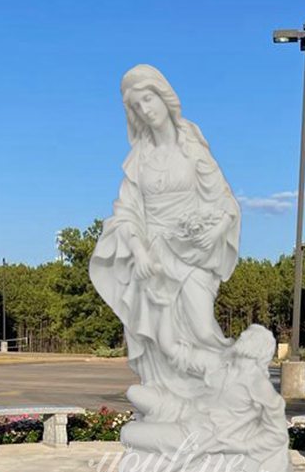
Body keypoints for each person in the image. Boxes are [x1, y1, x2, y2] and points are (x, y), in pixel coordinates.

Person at [89, 65, 240, 422]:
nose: (145, 109)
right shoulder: (138, 158)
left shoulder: (192, 146)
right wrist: (139, 251)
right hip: (154, 258)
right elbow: (125, 211)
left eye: (148, 98)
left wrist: (215, 230)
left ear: (163, 96)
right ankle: (178, 409)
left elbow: (225, 201)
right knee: (162, 342)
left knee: (203, 330)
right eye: (136, 105)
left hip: (193, 254)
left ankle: (230, 390)